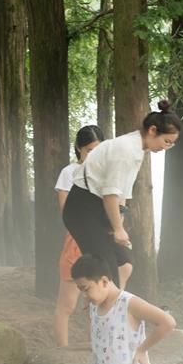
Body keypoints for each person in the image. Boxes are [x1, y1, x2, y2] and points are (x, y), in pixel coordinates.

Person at [63, 101, 181, 288]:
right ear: (152, 130)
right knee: (107, 272)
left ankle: (109, 305)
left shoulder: (137, 149)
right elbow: (110, 194)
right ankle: (103, 307)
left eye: (171, 145)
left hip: (98, 207)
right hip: (82, 208)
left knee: (124, 262)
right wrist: (118, 229)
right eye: (166, 141)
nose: (166, 147)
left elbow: (121, 194)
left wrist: (117, 223)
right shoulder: (126, 150)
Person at [54, 125, 133, 347]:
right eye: (89, 150)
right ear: (79, 149)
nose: (93, 154)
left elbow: (117, 205)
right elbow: (66, 209)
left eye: (98, 150)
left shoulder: (108, 173)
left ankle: (97, 344)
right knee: (67, 303)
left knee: (103, 292)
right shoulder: (69, 172)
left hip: (101, 236)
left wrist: (116, 225)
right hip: (77, 238)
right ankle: (62, 350)